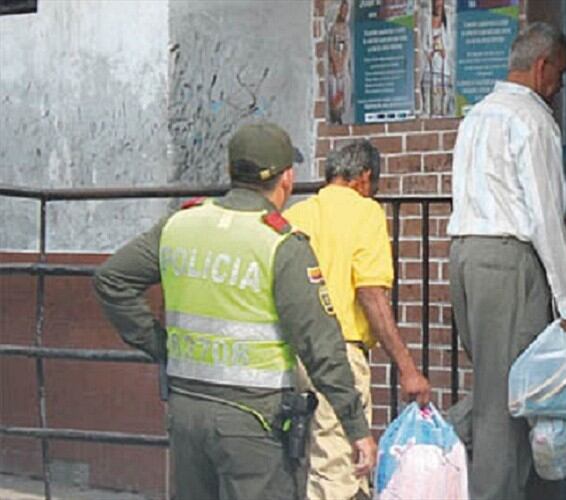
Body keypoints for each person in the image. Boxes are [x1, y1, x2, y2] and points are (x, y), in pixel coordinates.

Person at [93, 122, 377, 500]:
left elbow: (112, 280)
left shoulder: (181, 224)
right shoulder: (280, 243)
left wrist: (161, 344)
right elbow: (321, 346)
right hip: (254, 418)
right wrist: (356, 428)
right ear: (286, 178)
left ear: (232, 172)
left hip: (187, 408)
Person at [446, 22, 566, 500]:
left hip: (465, 254)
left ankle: (441, 443)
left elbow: (494, 194)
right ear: (542, 67)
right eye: (560, 74)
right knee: (511, 401)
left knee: (492, 386)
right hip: (507, 262)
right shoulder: (533, 119)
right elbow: (542, 214)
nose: (561, 85)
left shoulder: (478, 115)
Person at [283, 139, 432, 500]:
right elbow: (371, 295)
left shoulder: (296, 214)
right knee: (339, 470)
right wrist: (407, 367)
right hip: (339, 355)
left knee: (303, 467)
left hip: (290, 352)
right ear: (364, 178)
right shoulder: (366, 214)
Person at [421, 0, 453, 116]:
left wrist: (445, 51)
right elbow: (424, 42)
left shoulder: (446, 22)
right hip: (432, 59)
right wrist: (429, 51)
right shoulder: (428, 22)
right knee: (429, 86)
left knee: (443, 88)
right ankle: (428, 112)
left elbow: (449, 41)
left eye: (441, 5)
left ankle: (442, 112)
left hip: (442, 60)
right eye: (437, 5)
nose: (439, 7)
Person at [327, 0, 351, 124]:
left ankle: (339, 116)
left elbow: (345, 46)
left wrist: (343, 62)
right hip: (335, 67)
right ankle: (335, 116)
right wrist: (337, 63)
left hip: (342, 66)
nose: (344, 12)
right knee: (335, 94)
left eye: (346, 10)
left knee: (343, 93)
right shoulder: (334, 27)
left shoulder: (345, 27)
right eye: (342, 9)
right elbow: (333, 47)